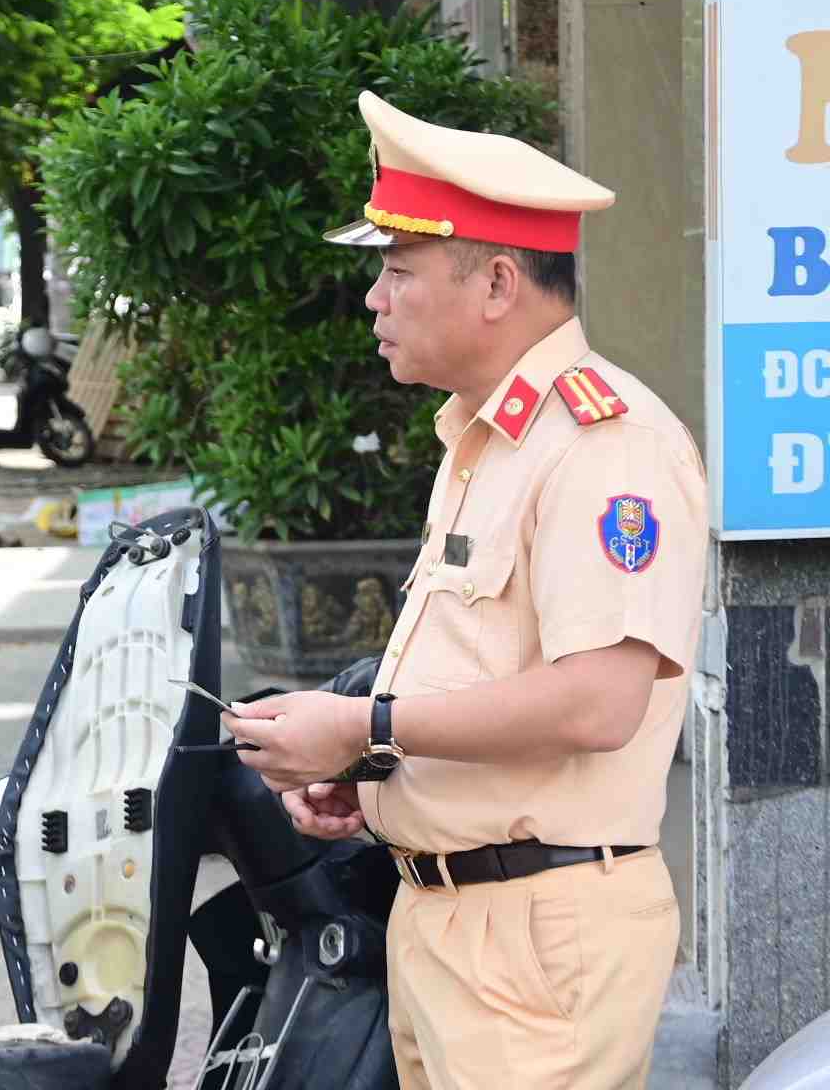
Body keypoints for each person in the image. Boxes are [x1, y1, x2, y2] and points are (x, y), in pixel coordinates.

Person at [222, 91, 706, 1089]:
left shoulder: (604, 446)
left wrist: (365, 726)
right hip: (449, 923)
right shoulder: (482, 439)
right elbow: (481, 675)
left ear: (495, 282)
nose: (374, 299)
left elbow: (598, 699)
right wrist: (372, 772)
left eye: (398, 271)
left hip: (539, 935)